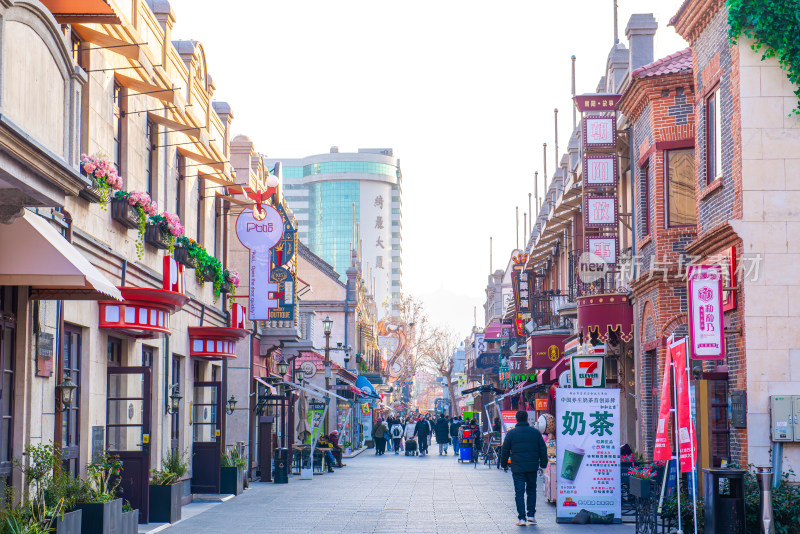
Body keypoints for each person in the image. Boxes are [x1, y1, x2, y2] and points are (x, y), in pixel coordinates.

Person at [500, 410, 548, 526]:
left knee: (519, 492)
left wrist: (504, 464)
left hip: (517, 468)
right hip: (532, 467)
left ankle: (522, 518)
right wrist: (543, 464)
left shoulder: (511, 434)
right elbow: (543, 449)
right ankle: (531, 515)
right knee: (531, 490)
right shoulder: (535, 433)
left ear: (516, 419)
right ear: (527, 419)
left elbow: (505, 450)